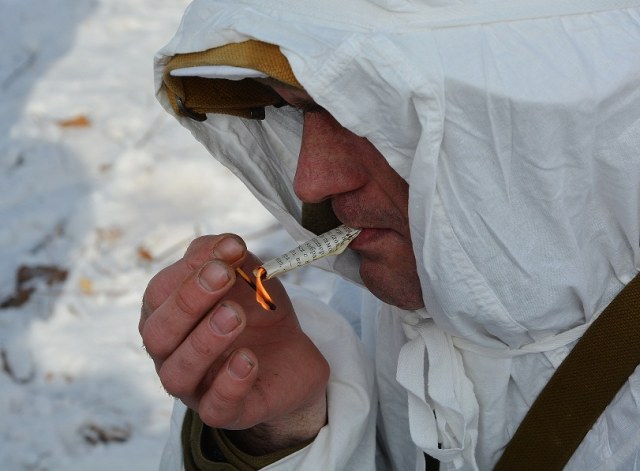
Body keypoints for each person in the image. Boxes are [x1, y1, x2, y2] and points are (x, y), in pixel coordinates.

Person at [140, 1, 640, 469]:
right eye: (295, 109)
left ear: (547, 123)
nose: (311, 181)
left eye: (368, 117)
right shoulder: (393, 296)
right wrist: (287, 426)